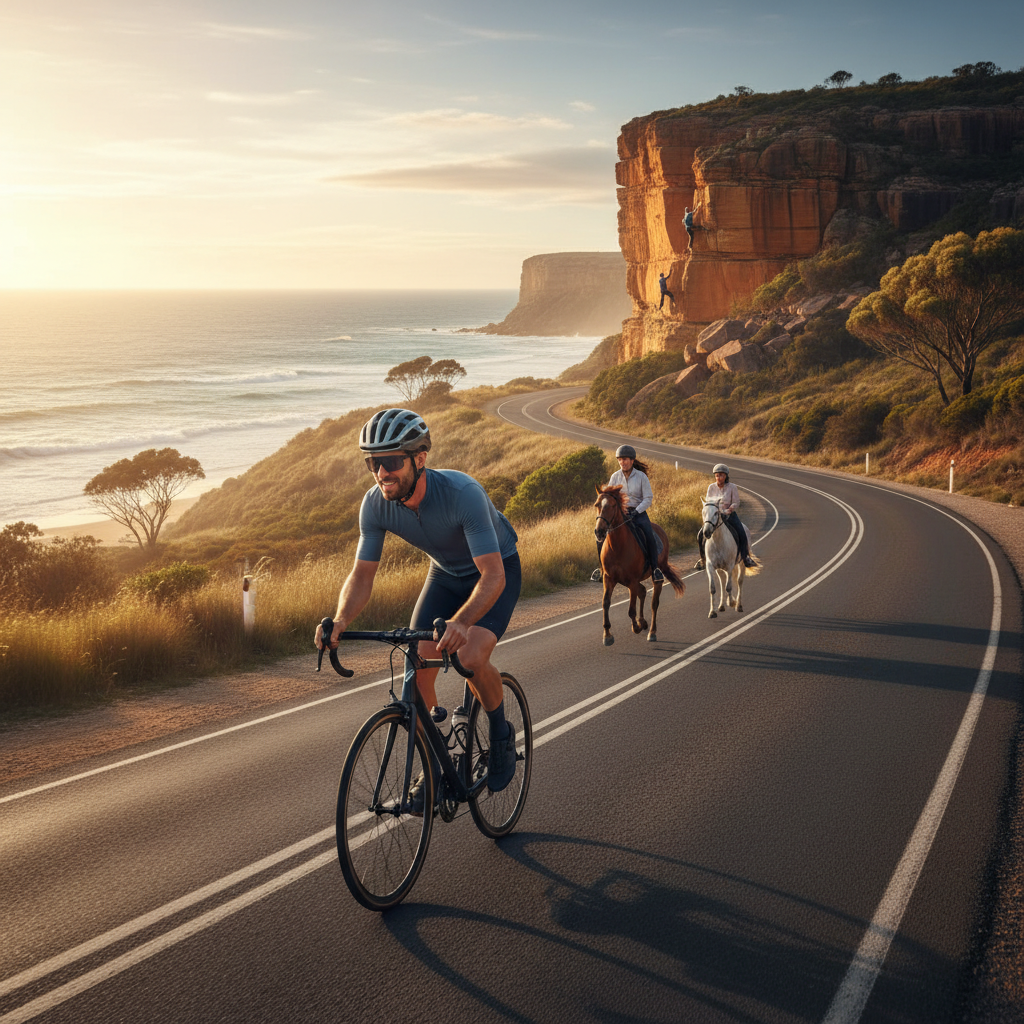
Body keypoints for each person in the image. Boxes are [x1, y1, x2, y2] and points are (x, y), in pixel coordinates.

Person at [315, 408, 521, 799]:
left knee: (470, 657)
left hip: (495, 571)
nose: (381, 473)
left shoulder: (462, 494)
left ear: (420, 459)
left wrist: (462, 622)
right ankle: (435, 766)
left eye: (391, 461)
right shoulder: (375, 505)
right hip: (444, 575)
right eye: (373, 463)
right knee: (416, 670)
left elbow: (493, 575)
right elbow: (362, 576)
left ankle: (500, 732)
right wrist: (340, 620)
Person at [590, 444, 666, 584]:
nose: (622, 462)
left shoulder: (641, 477)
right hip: (620, 514)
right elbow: (609, 496)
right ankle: (602, 570)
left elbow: (648, 498)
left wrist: (637, 511)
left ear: (632, 460)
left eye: (625, 459)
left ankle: (655, 569)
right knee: (600, 535)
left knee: (649, 534)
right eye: (620, 460)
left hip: (638, 512)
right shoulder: (615, 477)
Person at [694, 463, 757, 569]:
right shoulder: (711, 487)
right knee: (700, 535)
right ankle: (703, 559)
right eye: (717, 475)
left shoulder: (732, 487)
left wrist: (729, 509)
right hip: (715, 516)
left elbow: (736, 502)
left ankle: (745, 557)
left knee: (741, 532)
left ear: (726, 476)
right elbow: (709, 503)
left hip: (729, 515)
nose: (719, 477)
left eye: (721, 475)